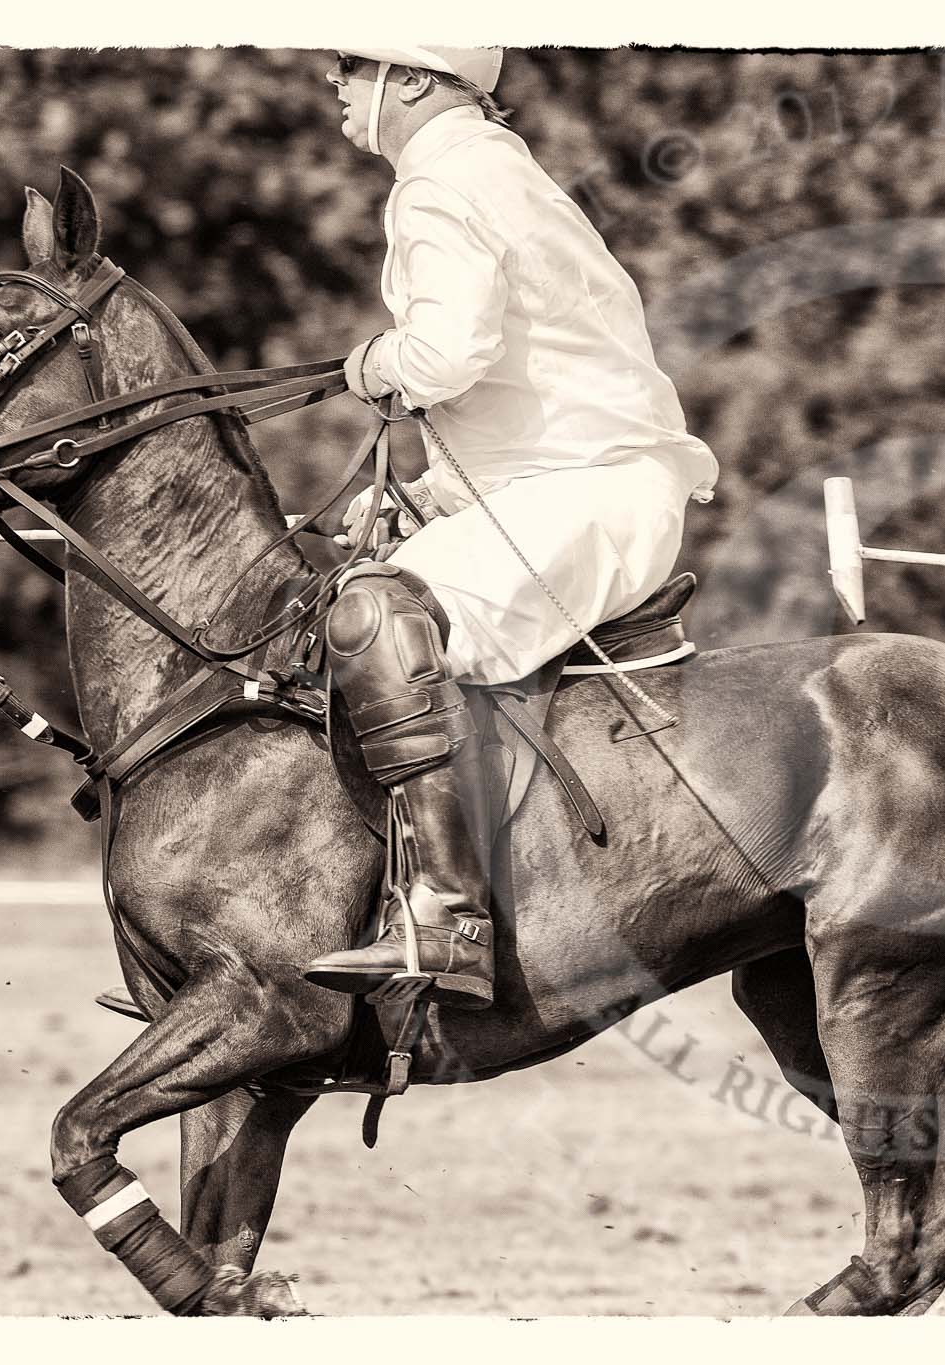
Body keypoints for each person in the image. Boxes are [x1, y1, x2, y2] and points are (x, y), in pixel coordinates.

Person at [299, 47, 719, 1009]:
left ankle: (446, 914)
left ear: (414, 79)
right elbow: (535, 398)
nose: (338, 84)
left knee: (373, 615)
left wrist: (372, 360)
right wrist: (421, 502)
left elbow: (447, 355)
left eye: (355, 68)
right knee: (364, 581)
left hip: (593, 496)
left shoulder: (443, 181)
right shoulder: (490, 167)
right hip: (576, 485)